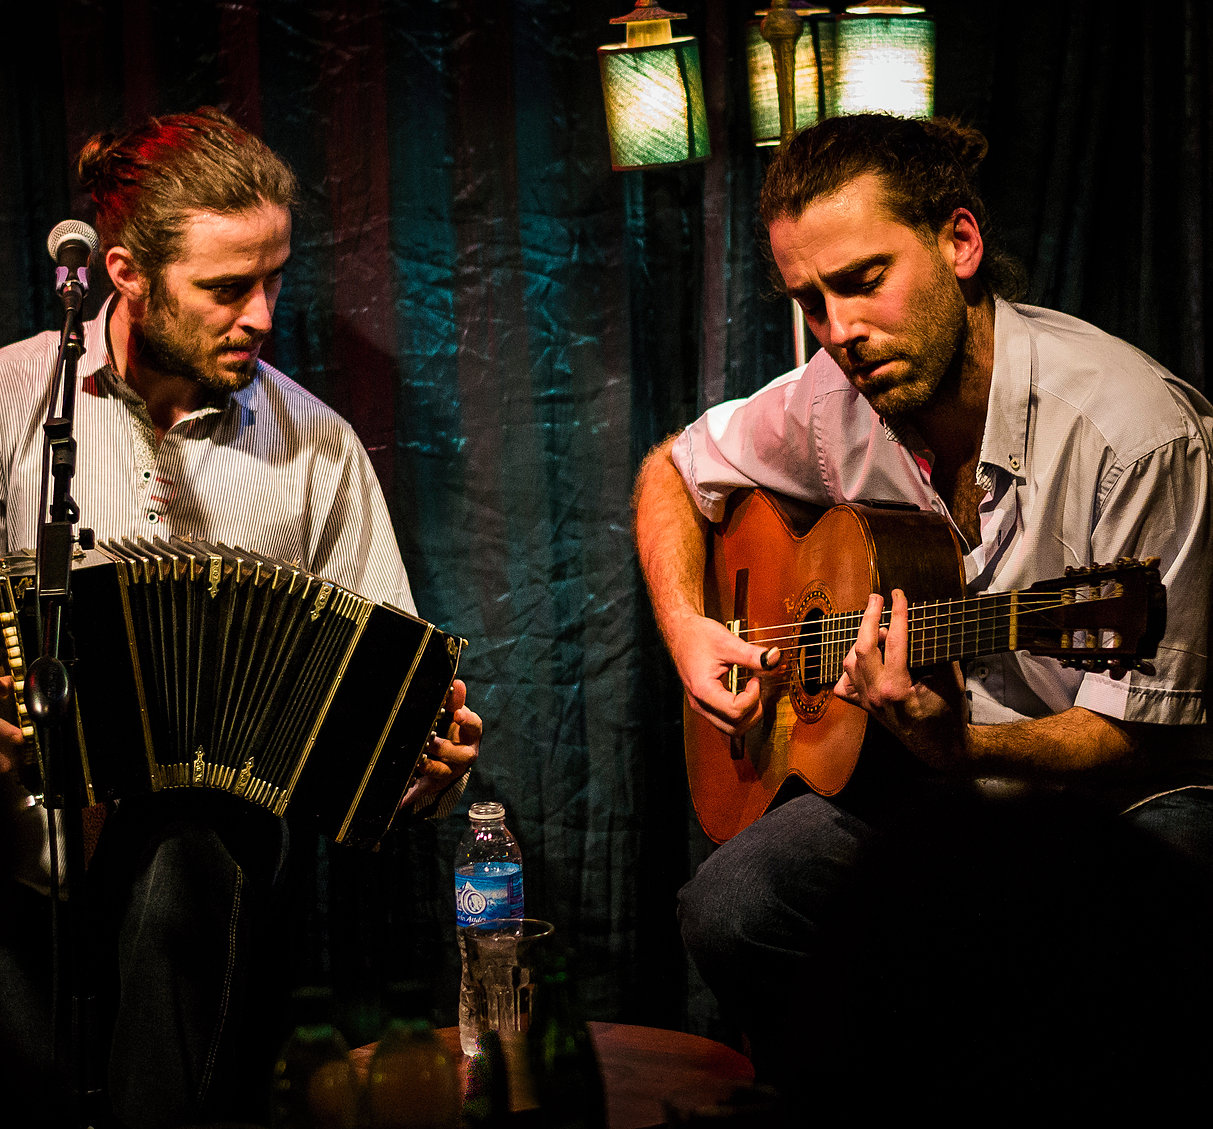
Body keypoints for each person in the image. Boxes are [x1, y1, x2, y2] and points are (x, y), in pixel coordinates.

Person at [633, 114, 1213, 1113]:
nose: (837, 332)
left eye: (862, 280)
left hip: (1143, 791)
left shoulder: (1141, 437)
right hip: (948, 774)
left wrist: (964, 749)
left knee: (1104, 936)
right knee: (733, 906)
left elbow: (1143, 738)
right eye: (809, 299)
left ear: (959, 243)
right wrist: (691, 630)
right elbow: (671, 471)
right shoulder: (832, 397)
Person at [0, 108, 482, 1128]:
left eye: (273, 277)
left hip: (202, 878)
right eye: (226, 288)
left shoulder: (318, 447)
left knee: (191, 843)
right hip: (12, 842)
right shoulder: (11, 399)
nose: (261, 313)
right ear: (124, 273)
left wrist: (425, 765)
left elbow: (389, 689)